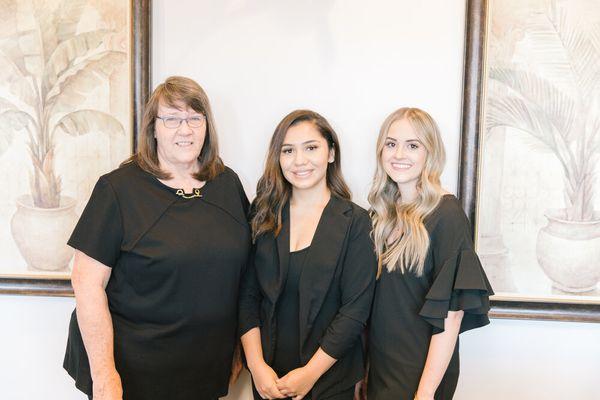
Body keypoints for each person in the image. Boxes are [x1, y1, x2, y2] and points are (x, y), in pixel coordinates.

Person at [63, 76, 251, 400]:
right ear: (153, 127)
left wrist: (239, 347)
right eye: (172, 119)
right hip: (133, 374)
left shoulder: (227, 184)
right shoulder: (118, 189)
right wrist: (105, 376)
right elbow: (86, 283)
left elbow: (243, 274)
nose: (185, 129)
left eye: (195, 118)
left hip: (204, 368)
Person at [238, 110, 376, 400]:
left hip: (328, 382)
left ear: (331, 153)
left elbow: (354, 311)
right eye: (288, 151)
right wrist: (256, 365)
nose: (299, 161)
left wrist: (310, 374)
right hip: (268, 381)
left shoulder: (355, 222)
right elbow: (248, 297)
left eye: (311, 148)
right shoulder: (264, 215)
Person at [365, 107, 493, 400]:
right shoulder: (382, 216)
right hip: (382, 370)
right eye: (391, 143)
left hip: (420, 375)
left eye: (412, 145)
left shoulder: (447, 214)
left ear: (430, 153)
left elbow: (453, 315)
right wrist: (365, 371)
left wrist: (424, 393)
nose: (399, 154)